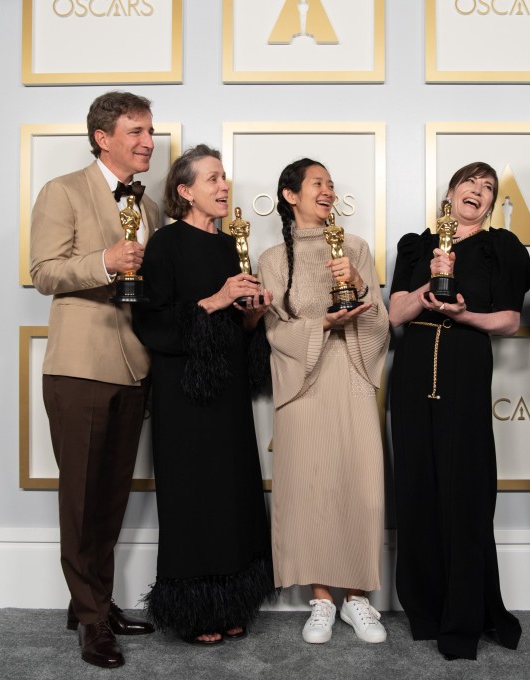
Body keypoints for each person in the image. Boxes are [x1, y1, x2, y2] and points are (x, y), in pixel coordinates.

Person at [30, 90, 158, 669]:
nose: (147, 142)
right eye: (135, 131)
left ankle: (95, 603)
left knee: (108, 500)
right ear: (103, 137)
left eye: (150, 131)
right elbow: (42, 272)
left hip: (134, 368)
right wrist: (105, 260)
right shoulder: (62, 190)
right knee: (82, 500)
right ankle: (89, 620)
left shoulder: (150, 205)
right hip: (79, 368)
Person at [131, 144, 276, 645]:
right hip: (183, 395)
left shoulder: (231, 246)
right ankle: (194, 611)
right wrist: (219, 298)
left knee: (232, 495)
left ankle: (231, 600)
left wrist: (254, 313)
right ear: (184, 190)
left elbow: (241, 329)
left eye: (224, 178)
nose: (223, 187)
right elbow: (151, 323)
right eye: (212, 179)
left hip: (229, 391)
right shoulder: (165, 245)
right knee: (192, 499)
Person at [388, 161, 530, 661]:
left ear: (491, 204)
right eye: (470, 182)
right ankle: (425, 611)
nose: (479, 190)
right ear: (450, 193)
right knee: (417, 487)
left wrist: (464, 313)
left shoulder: (503, 248)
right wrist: (429, 291)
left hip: (466, 367)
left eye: (488, 187)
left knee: (465, 491)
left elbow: (511, 321)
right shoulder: (415, 244)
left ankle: (467, 613)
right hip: (409, 374)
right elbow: (394, 312)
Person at [257, 158, 390, 645]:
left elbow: (379, 322)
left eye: (332, 184)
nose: (328, 190)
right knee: (309, 487)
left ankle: (358, 599)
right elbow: (274, 329)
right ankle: (322, 600)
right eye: (318, 183)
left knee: (359, 482)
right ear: (291, 195)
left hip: (352, 375)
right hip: (303, 383)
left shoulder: (356, 248)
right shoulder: (272, 258)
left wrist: (355, 283)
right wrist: (321, 327)